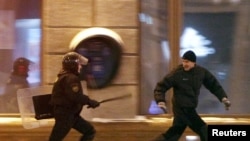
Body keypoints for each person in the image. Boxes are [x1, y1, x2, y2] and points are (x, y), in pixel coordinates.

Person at [152, 50, 231, 141]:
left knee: (174, 133)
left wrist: (223, 98)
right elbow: (161, 86)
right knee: (204, 130)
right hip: (181, 108)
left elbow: (213, 85)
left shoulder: (201, 72)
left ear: (193, 62)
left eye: (187, 62)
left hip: (190, 107)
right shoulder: (177, 73)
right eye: (183, 61)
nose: (184, 64)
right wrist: (160, 100)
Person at [49, 52, 100, 141]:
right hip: (66, 115)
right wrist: (89, 101)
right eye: (79, 64)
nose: (80, 66)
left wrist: (88, 102)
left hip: (71, 115)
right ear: (73, 65)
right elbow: (75, 96)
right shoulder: (71, 78)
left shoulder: (64, 77)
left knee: (89, 131)